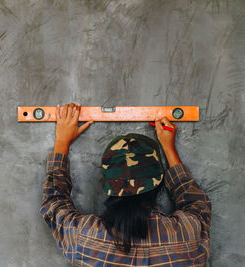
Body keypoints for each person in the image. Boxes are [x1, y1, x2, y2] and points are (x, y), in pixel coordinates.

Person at [40, 103, 211, 266]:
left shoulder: (85, 239)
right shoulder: (188, 235)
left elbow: (54, 202)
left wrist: (62, 141)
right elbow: (195, 202)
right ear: (160, 183)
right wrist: (169, 149)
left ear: (106, 185)